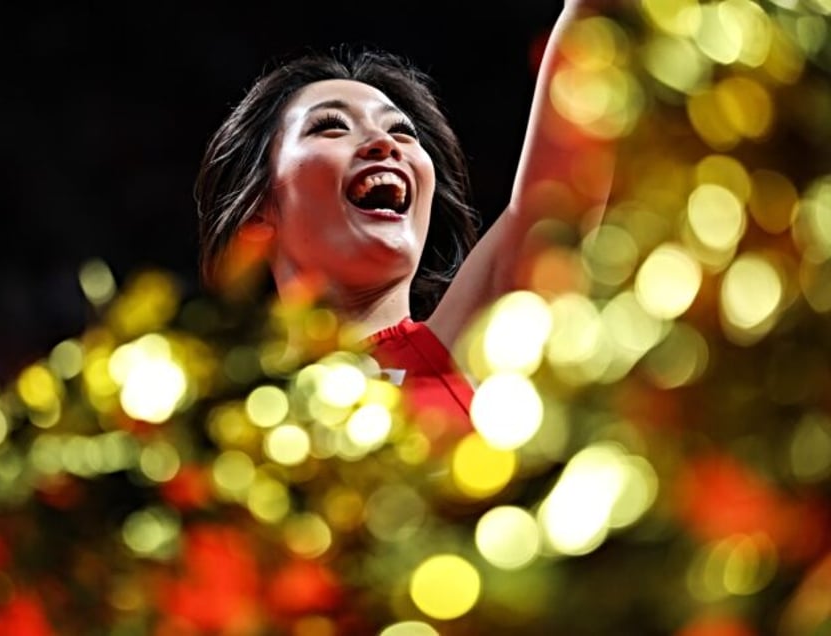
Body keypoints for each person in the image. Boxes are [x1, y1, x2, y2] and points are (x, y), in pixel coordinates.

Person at [193, 0, 614, 444]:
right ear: (258, 205)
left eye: (403, 132)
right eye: (331, 126)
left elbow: (559, 196)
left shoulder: (477, 351)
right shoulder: (217, 417)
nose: (382, 143)